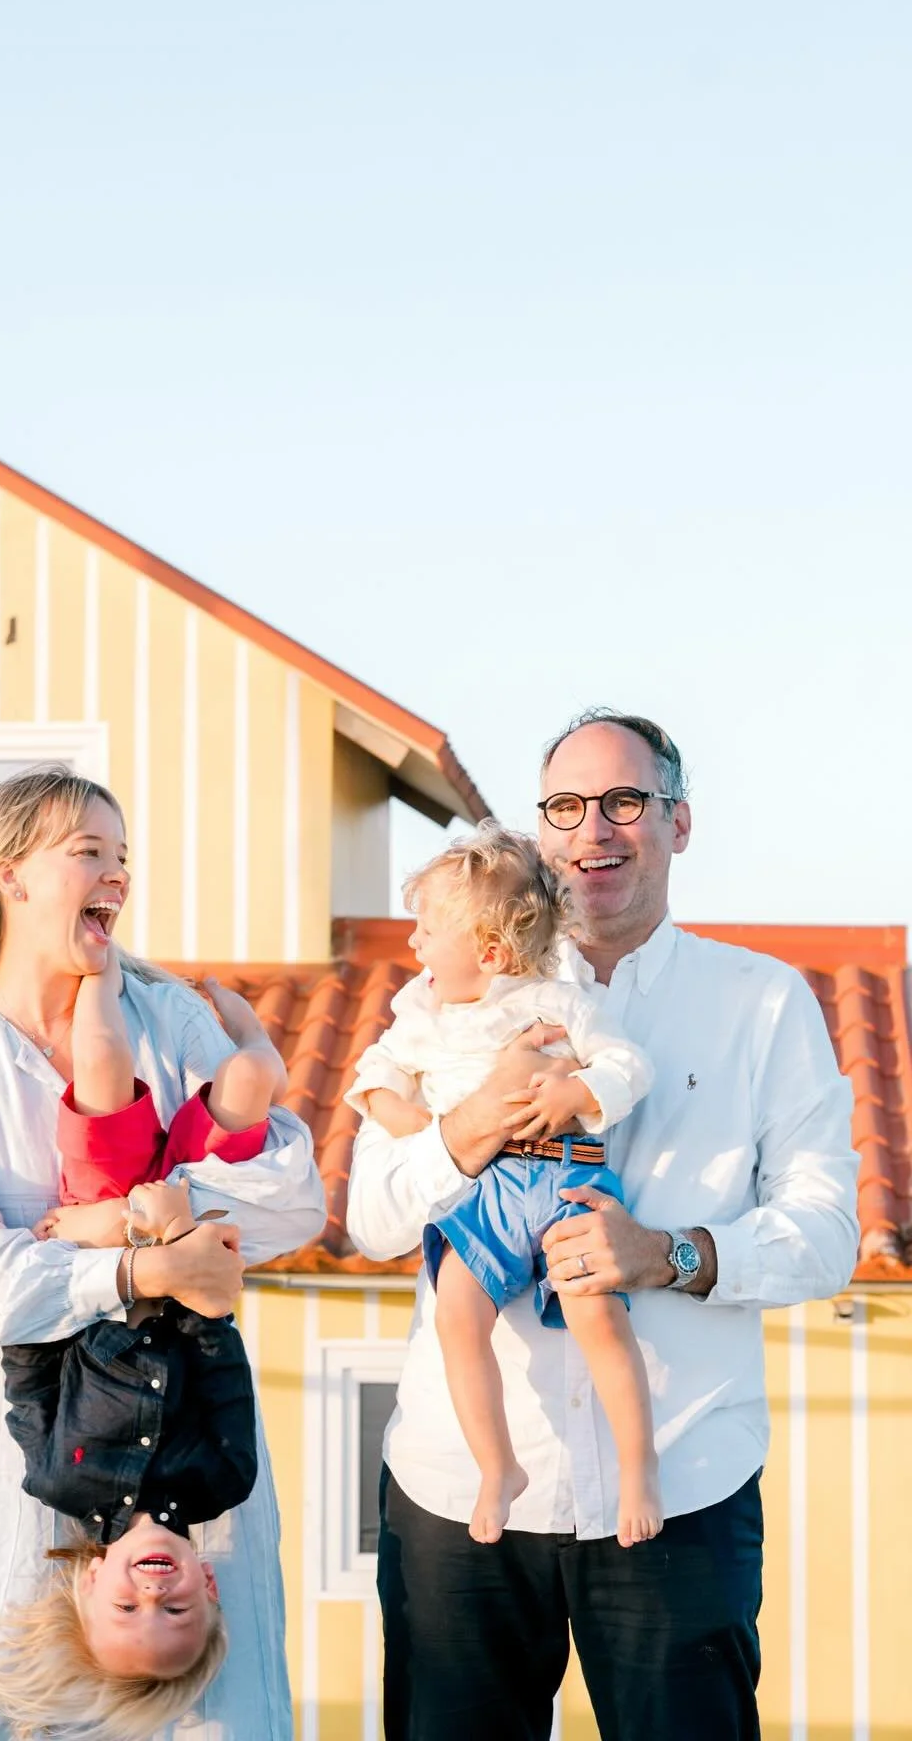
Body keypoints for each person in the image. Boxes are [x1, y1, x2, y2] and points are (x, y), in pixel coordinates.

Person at [348, 711, 859, 1741]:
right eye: (566, 807)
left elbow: (827, 1230)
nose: (594, 830)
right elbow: (372, 1222)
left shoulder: (763, 1003)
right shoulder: (443, 1000)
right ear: (539, 832)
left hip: (680, 1483)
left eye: (625, 801)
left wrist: (673, 1255)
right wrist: (471, 1123)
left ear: (679, 822)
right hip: (461, 1499)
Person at [0, 766, 327, 1741]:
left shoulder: (168, 1015)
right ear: (11, 875)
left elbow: (291, 1200)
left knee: (214, 1704)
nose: (117, 874)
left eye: (122, 857)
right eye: (88, 853)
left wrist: (144, 1212)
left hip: (193, 1419)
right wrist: (147, 1264)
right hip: (21, 1433)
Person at [0, 967, 287, 1738]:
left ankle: (100, 970)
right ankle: (246, 1028)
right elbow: (220, 1349)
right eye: (176, 1612)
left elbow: (30, 1358)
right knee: (252, 1078)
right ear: (208, 1587)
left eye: (127, 1608)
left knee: (103, 1069)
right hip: (186, 1229)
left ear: (90, 1587)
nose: (154, 1596)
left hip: (101, 1226)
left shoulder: (56, 1479)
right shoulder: (224, 1479)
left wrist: (77, 1242)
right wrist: (179, 1238)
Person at [345, 822, 659, 1548]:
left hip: (565, 1177)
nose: (414, 944)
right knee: (457, 1313)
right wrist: (427, 1125)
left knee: (597, 1315)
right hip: (484, 1191)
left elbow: (629, 1066)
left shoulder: (557, 1003)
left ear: (488, 952)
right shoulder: (421, 1015)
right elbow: (374, 1080)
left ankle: (638, 1465)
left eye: (428, 932)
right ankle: (497, 1467)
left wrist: (579, 1092)